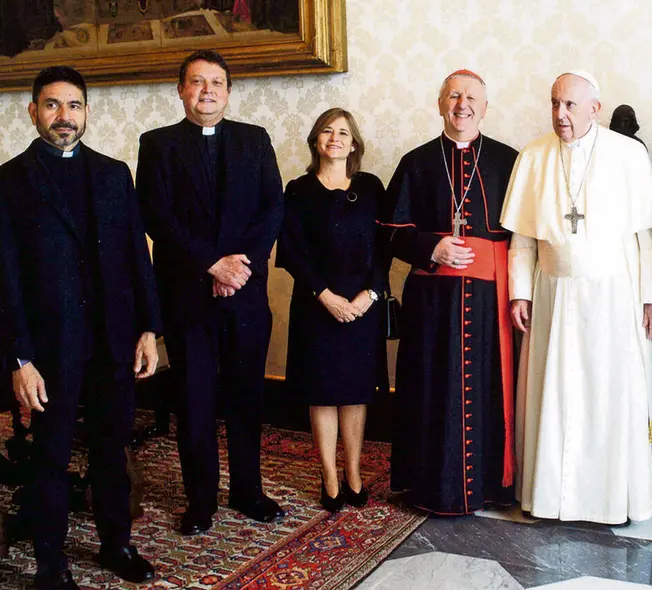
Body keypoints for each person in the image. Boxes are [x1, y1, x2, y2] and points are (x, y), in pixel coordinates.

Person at [0, 66, 161, 589]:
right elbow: (4, 278)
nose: (63, 116)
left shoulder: (115, 174)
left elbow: (138, 257)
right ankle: (51, 564)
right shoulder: (9, 181)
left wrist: (147, 330)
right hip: (50, 347)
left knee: (113, 445)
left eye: (73, 106)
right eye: (51, 105)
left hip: (114, 339)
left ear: (87, 112)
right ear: (33, 111)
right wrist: (19, 359)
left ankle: (116, 544)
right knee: (50, 452)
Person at [500, 71, 652, 525]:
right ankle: (552, 497)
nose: (560, 114)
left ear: (595, 108)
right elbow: (522, 239)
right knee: (554, 397)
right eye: (554, 103)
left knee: (608, 399)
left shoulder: (627, 155)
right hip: (552, 296)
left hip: (615, 298)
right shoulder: (533, 156)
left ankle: (612, 500)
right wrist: (520, 294)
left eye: (570, 105)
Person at [135, 50, 285, 535]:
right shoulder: (156, 144)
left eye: (216, 82)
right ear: (181, 90)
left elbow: (272, 207)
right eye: (196, 82)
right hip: (188, 296)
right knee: (195, 398)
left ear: (229, 90)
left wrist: (238, 267)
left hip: (245, 291)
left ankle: (247, 489)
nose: (207, 91)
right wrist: (211, 264)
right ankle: (200, 499)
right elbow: (157, 216)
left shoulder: (255, 139)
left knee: (246, 396)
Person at [384, 70, 518, 515]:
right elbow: (389, 231)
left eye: (472, 97)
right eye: (454, 96)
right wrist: (431, 246)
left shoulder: (508, 161)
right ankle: (428, 486)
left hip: (489, 304)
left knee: (487, 388)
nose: (463, 104)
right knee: (429, 390)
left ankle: (491, 486)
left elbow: (526, 235)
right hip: (432, 305)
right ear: (440, 104)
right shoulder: (416, 161)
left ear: (485, 106)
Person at [277, 108, 389, 512]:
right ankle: (329, 478)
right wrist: (325, 296)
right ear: (315, 140)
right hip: (316, 306)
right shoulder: (298, 189)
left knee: (355, 393)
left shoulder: (372, 187)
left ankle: (354, 474)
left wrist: (370, 295)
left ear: (354, 143)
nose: (335, 138)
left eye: (343, 132)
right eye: (327, 131)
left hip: (362, 307)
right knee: (322, 394)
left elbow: (384, 249)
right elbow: (290, 251)